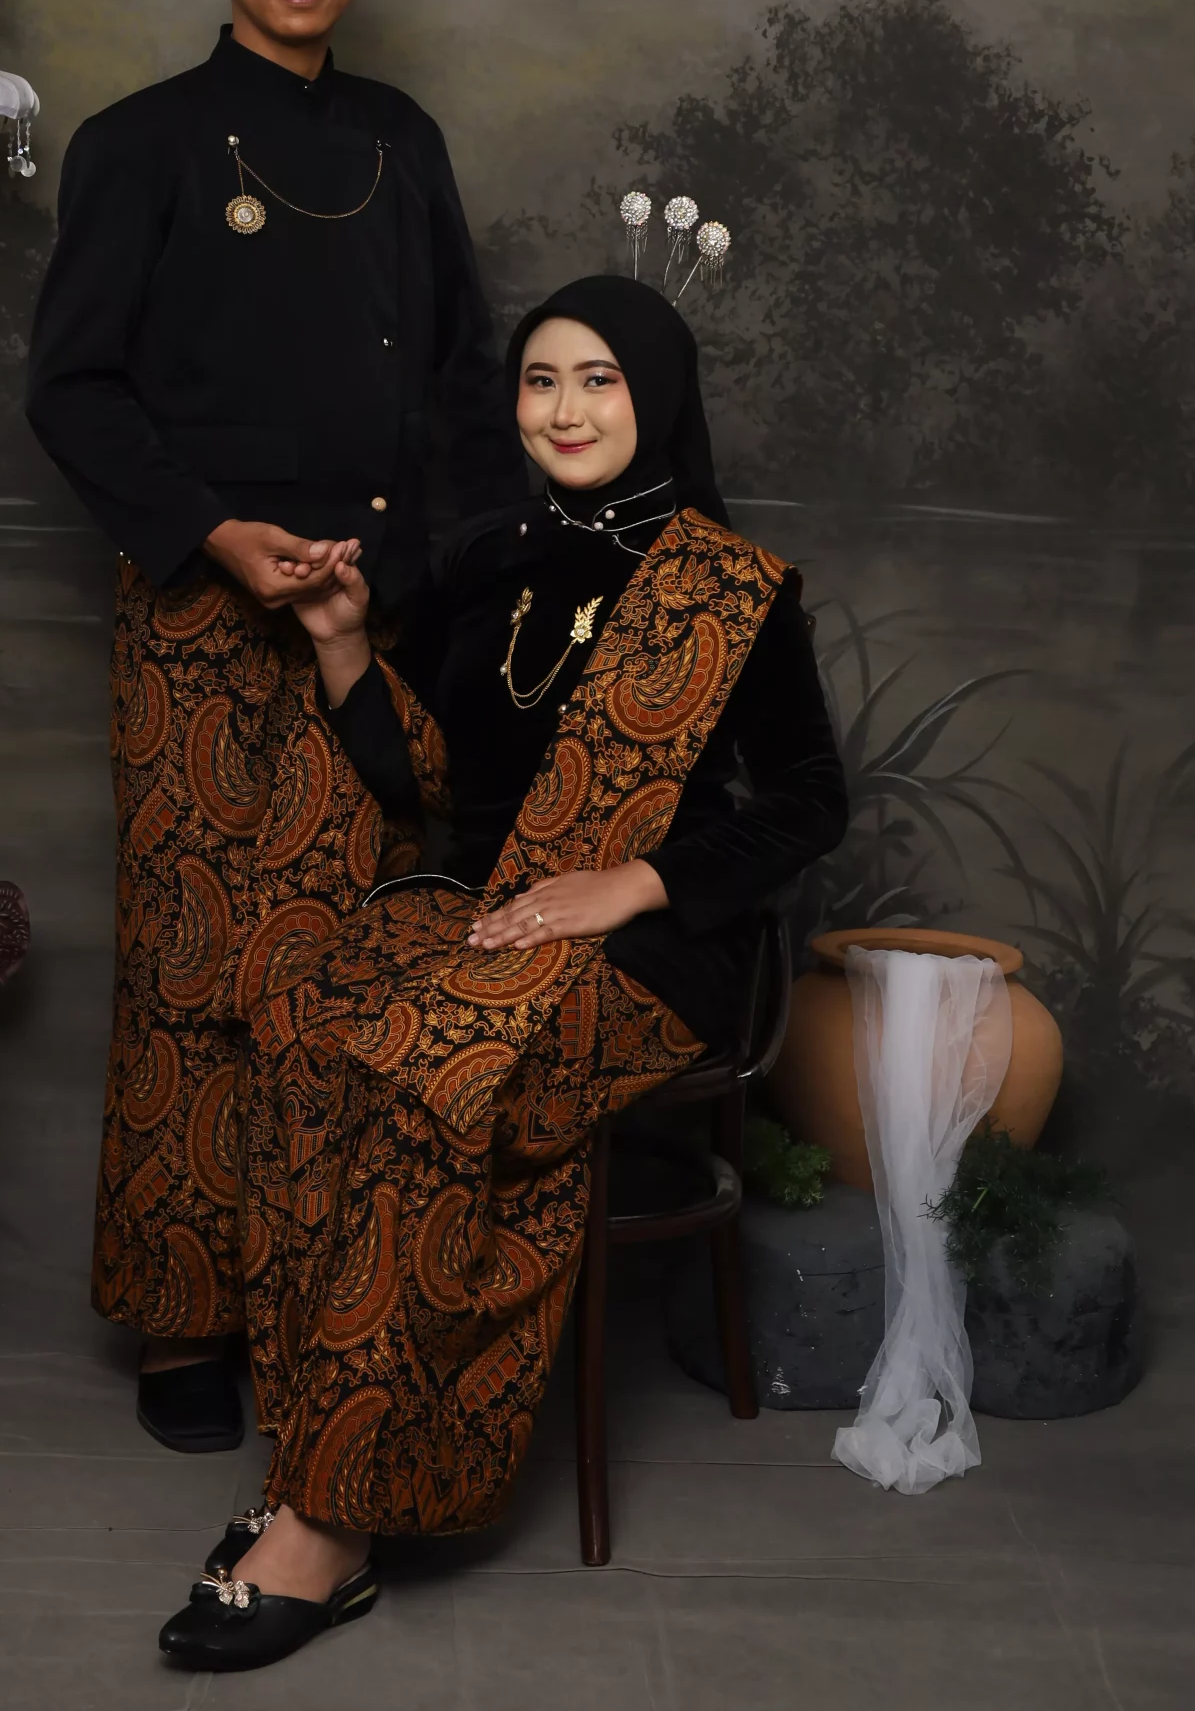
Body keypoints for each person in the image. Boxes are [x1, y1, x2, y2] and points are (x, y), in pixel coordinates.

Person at [156, 274, 849, 1670]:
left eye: (598, 378)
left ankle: (331, 1524)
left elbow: (807, 800)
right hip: (477, 923)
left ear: (655, 395)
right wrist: (343, 646)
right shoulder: (486, 561)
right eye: (540, 380)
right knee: (301, 1030)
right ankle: (317, 1452)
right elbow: (426, 785)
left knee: (432, 1074)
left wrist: (631, 883)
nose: (565, 409)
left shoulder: (730, 588)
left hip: (651, 953)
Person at [25, 0, 526, 1453]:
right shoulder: (140, 143)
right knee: (194, 972)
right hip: (198, 616)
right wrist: (214, 535)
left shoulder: (401, 140)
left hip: (372, 623)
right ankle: (184, 1324)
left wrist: (444, 596)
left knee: (340, 969)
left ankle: (324, 1291)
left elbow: (463, 390)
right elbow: (73, 390)